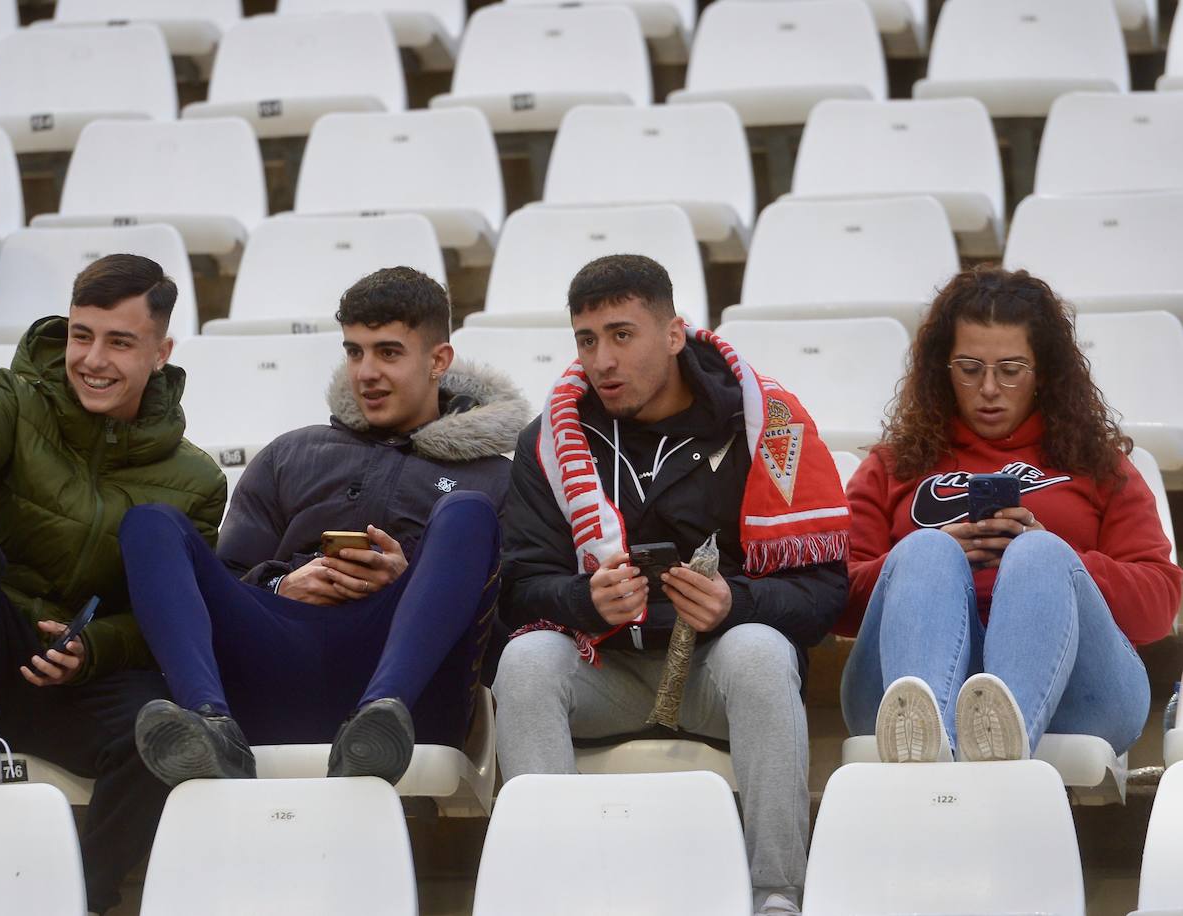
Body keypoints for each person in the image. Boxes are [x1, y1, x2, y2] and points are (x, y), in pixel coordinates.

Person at [494, 254, 850, 916]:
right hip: (610, 668)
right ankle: (551, 894)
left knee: (763, 651)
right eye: (586, 339)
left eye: (622, 335)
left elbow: (825, 592)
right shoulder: (548, 440)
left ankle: (777, 895)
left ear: (674, 333)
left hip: (719, 670)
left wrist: (733, 604)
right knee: (525, 662)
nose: (602, 359)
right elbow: (518, 587)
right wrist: (584, 599)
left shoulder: (766, 424)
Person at [0, 254, 225, 914]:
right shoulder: (13, 394)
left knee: (174, 731)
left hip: (71, 680)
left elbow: (169, 619)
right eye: (81, 334)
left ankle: (81, 897)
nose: (92, 359)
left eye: (119, 342)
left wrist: (90, 649)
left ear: (161, 351)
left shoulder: (199, 481)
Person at [118, 266, 528, 786]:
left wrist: (412, 583)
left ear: (438, 361)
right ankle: (210, 724)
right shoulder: (293, 452)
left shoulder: (495, 477)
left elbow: (508, 641)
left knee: (466, 511)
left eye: (388, 352)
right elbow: (222, 584)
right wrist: (280, 582)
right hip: (275, 657)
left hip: (411, 691)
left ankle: (382, 715)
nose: (366, 372)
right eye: (354, 351)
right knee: (150, 523)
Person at [840, 266, 1181, 765]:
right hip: (901, 685)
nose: (990, 388)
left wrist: (1064, 564)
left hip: (1079, 692)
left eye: (1011, 369)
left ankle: (1000, 741)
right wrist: (923, 561)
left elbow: (1158, 606)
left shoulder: (1097, 463)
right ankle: (938, 744)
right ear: (943, 368)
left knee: (1040, 553)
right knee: (925, 549)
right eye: (970, 368)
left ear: (1043, 371)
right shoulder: (893, 465)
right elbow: (833, 597)